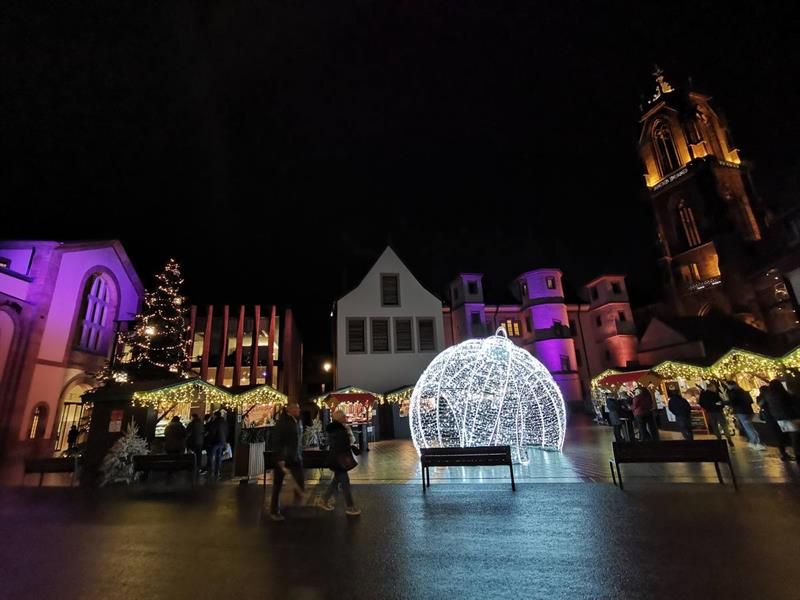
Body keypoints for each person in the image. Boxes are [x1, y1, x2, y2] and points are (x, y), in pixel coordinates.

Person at [316, 410, 361, 516]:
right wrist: (350, 446)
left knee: (336, 481)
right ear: (340, 418)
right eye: (344, 416)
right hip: (339, 460)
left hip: (336, 460)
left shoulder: (335, 429)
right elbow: (341, 445)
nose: (346, 417)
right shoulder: (340, 430)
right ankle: (350, 507)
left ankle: (323, 500)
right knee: (345, 483)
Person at [269, 403, 304, 521]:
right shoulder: (283, 423)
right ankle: (274, 510)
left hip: (295, 457)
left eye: (298, 407)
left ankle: (297, 499)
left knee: (299, 478)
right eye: (296, 408)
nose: (299, 409)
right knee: (277, 485)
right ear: (290, 410)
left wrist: (299, 454)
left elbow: (298, 440)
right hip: (284, 458)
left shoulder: (297, 421)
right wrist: (280, 458)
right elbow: (277, 441)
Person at [764, 379, 800, 462]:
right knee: (794, 436)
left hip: (778, 418)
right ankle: (797, 454)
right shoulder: (783, 394)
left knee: (782, 437)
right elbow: (792, 403)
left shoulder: (769, 395)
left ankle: (785, 453)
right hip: (789, 417)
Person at [726, 381, 764, 450]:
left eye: (728, 385)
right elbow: (750, 401)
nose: (728, 387)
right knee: (749, 427)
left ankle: (757, 442)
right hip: (748, 410)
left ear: (731, 385)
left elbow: (732, 402)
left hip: (741, 411)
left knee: (748, 428)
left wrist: (724, 403)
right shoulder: (743, 391)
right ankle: (753, 442)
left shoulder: (734, 392)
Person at [757, 385, 792, 461]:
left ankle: (783, 453)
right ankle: (784, 453)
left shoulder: (764, 397)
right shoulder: (770, 396)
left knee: (779, 436)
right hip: (776, 417)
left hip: (770, 418)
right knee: (782, 435)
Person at [208, 410, 229, 480]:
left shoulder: (215, 422)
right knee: (218, 456)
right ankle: (217, 471)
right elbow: (226, 431)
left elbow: (212, 432)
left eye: (213, 415)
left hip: (215, 441)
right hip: (222, 441)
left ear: (215, 415)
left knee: (211, 456)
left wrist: (209, 440)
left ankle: (210, 471)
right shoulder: (224, 422)